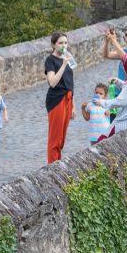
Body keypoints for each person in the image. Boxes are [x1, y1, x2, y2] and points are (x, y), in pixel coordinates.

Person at [44, 32, 76, 164]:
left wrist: (73, 104)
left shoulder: (67, 57)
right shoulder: (50, 60)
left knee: (62, 138)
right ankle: (52, 167)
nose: (64, 46)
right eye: (60, 43)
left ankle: (57, 164)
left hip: (68, 98)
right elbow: (52, 82)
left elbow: (69, 81)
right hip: (56, 100)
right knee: (55, 138)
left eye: (65, 43)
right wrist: (63, 65)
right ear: (53, 44)